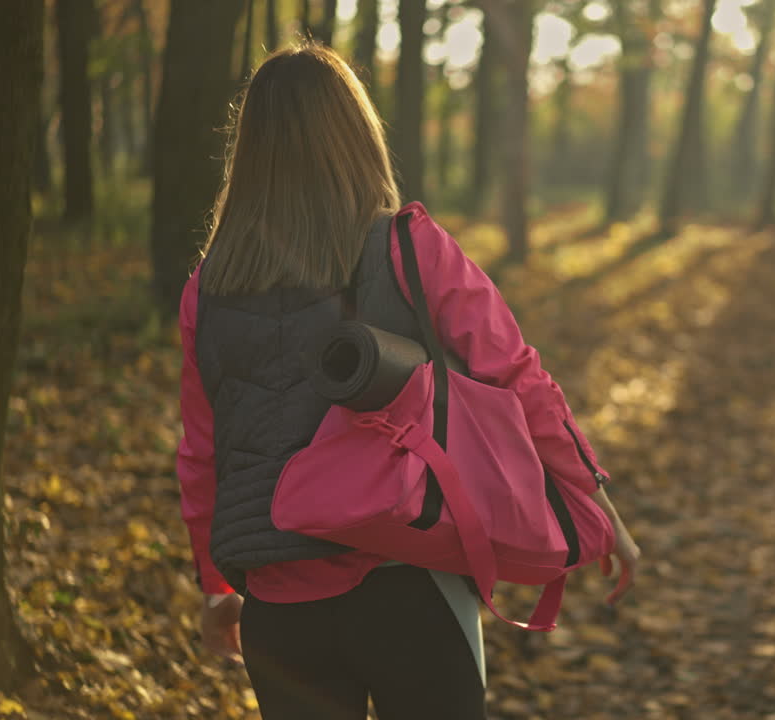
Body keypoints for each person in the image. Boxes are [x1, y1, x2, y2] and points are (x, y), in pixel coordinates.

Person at [175, 43, 641, 720]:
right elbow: (519, 377)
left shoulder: (207, 289)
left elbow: (200, 453)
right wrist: (602, 510)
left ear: (251, 154)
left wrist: (217, 584)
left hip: (280, 610)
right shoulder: (408, 246)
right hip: (408, 584)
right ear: (355, 137)